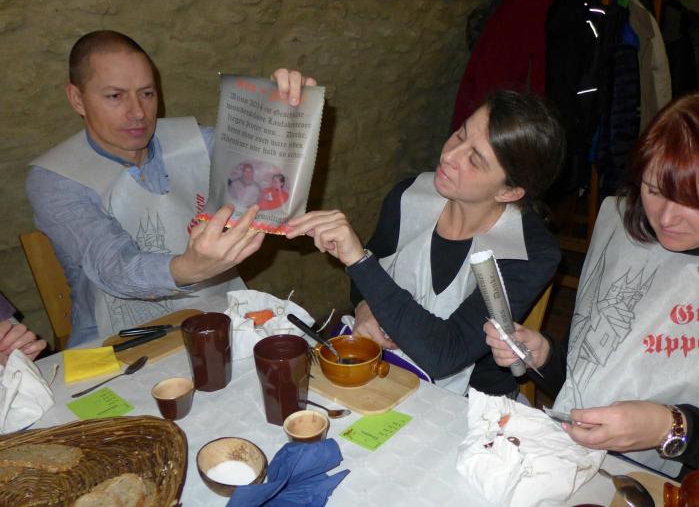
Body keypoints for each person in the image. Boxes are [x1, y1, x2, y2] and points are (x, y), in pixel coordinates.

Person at [484, 90, 699, 496]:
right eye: (654, 189)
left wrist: (669, 427)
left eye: (698, 203)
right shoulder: (629, 236)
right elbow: (598, 382)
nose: (666, 218)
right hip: (614, 466)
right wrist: (544, 356)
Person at [26, 30, 314, 346]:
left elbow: (264, 175)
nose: (138, 112)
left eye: (147, 93)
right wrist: (190, 268)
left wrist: (283, 114)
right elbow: (113, 267)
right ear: (77, 99)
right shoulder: (56, 178)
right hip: (114, 340)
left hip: (219, 316)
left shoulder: (194, 141)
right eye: (115, 96)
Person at [287, 90, 564, 396]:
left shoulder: (529, 251)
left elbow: (445, 354)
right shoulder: (408, 196)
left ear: (508, 192)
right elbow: (367, 282)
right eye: (461, 134)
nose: (449, 156)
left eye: (474, 160)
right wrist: (365, 307)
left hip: (468, 402)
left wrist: (359, 261)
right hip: (387, 371)